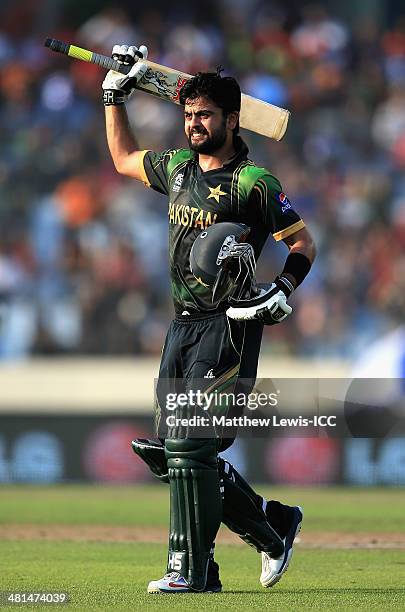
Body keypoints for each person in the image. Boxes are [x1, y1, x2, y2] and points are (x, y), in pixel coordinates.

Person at [102, 43, 316, 594]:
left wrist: (280, 290)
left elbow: (304, 245)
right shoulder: (175, 169)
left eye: (206, 116)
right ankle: (272, 526)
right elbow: (124, 160)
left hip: (231, 324)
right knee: (170, 452)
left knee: (190, 448)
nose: (195, 125)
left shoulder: (254, 183)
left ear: (231, 119)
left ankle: (191, 572)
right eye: (189, 115)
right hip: (182, 324)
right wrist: (113, 98)